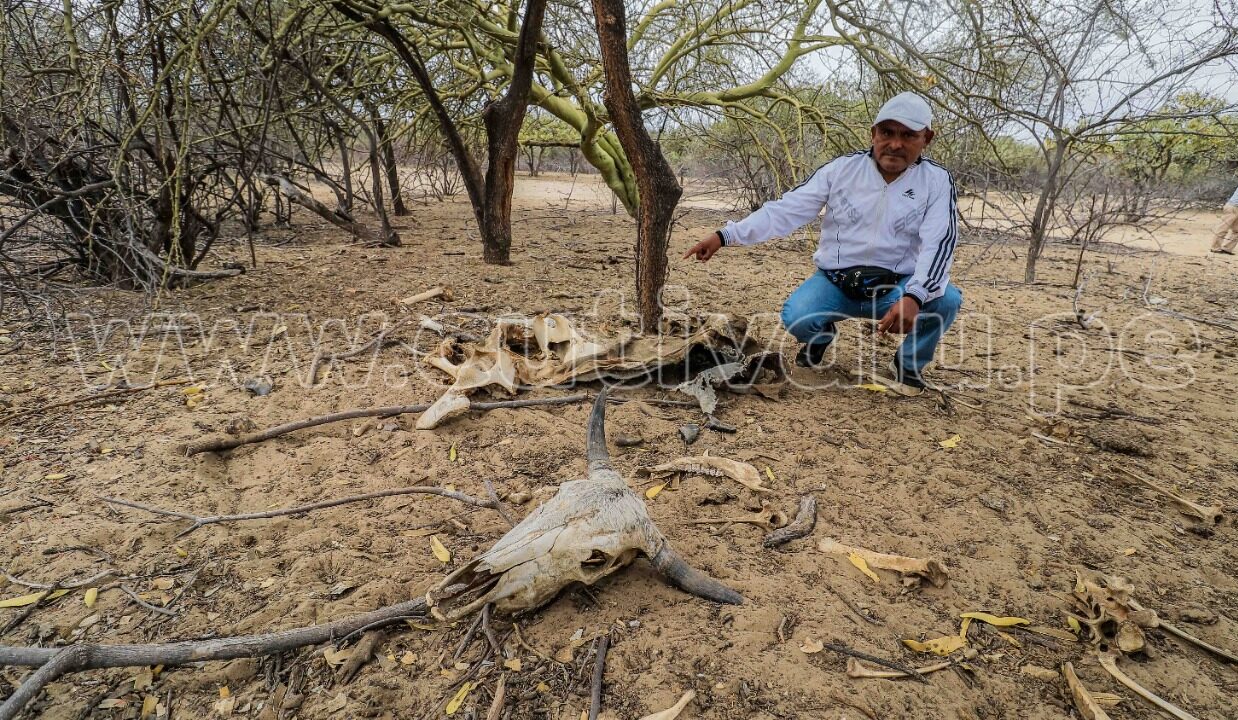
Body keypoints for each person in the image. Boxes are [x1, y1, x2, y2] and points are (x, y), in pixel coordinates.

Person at [683, 91, 962, 393]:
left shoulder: (936, 181)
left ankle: (908, 365)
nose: (895, 143)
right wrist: (726, 235)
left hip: (895, 288)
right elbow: (785, 210)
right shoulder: (841, 170)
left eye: (908, 135)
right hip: (836, 282)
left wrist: (915, 296)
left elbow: (940, 241)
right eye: (887, 132)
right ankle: (820, 336)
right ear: (873, 133)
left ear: (927, 138)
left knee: (946, 299)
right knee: (797, 317)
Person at [1210, 185, 1238, 255]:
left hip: (1235, 208)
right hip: (1232, 207)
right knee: (1223, 228)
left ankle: (1227, 248)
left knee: (1237, 230)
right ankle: (1215, 247)